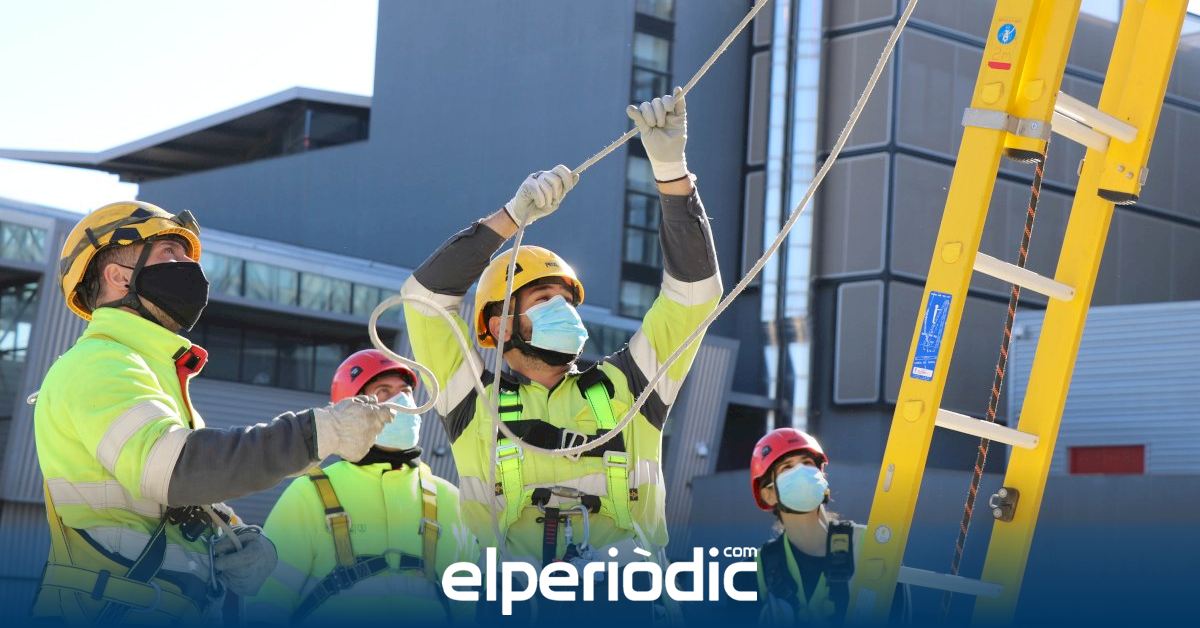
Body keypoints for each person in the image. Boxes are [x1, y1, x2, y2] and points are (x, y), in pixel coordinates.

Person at [400, 87, 721, 567]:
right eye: (543, 299)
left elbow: (695, 296)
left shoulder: (630, 386)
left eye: (567, 300)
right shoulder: (473, 402)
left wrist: (672, 171)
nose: (563, 310)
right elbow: (424, 299)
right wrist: (512, 217)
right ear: (499, 325)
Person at [33, 202, 395, 624]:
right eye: (170, 252)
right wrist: (318, 432)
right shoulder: (99, 364)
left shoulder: (147, 370)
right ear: (118, 277)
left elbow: (171, 501)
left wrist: (233, 532)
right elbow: (178, 470)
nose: (189, 267)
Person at [248, 349, 478, 624]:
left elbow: (471, 612)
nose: (402, 402)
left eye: (405, 391)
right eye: (384, 391)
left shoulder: (450, 500)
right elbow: (265, 605)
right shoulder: (309, 495)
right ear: (352, 408)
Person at [749, 428, 910, 625]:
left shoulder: (874, 546)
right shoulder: (755, 570)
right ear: (768, 494)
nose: (801, 472)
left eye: (807, 463)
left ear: (822, 477)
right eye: (787, 467)